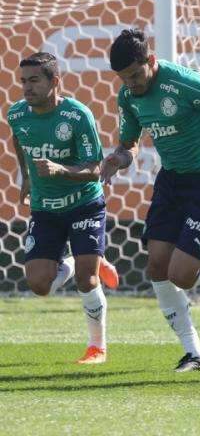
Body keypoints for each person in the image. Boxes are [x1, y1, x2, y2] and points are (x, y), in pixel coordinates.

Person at [101, 29, 200, 372]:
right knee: (157, 265)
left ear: (151, 61)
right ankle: (195, 353)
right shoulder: (128, 96)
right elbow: (129, 145)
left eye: (136, 75)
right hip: (172, 181)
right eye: (124, 79)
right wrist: (117, 159)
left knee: (183, 275)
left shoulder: (182, 84)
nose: (131, 84)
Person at [8, 52, 119, 364]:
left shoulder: (77, 116)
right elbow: (20, 140)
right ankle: (81, 258)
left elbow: (96, 168)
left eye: (34, 81)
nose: (26, 88)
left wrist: (60, 170)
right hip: (45, 208)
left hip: (84, 204)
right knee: (39, 285)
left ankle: (97, 347)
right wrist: (27, 175)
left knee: (87, 280)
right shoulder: (17, 114)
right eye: (23, 81)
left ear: (54, 81)